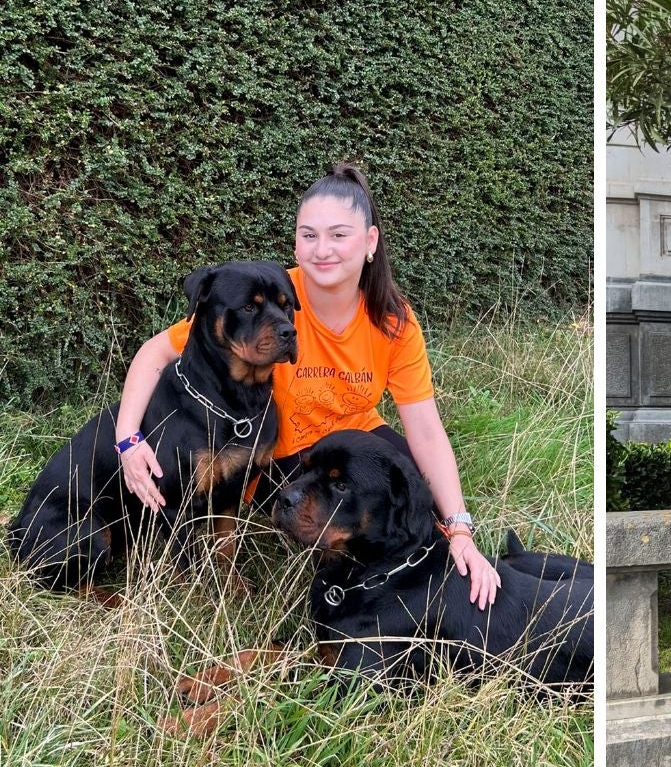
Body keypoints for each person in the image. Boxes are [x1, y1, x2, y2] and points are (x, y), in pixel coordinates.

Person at [114, 163, 501, 609]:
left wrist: (459, 529)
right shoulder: (269, 296)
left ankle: (425, 594)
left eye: (339, 235)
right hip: (282, 457)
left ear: (370, 241)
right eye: (309, 235)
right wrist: (128, 440)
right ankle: (340, 594)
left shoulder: (392, 318)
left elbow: (428, 432)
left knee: (415, 499)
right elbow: (154, 353)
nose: (322, 251)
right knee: (328, 521)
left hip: (350, 448)